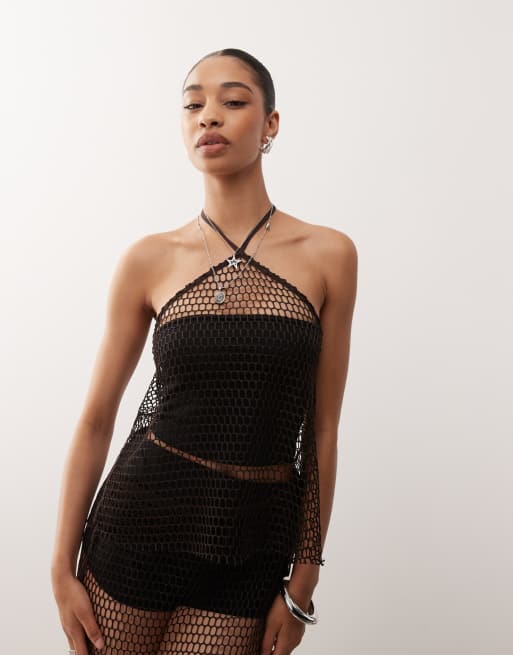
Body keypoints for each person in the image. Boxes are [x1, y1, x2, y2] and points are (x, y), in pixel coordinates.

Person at [51, 47, 358, 655]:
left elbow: (322, 429)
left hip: (252, 540)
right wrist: (60, 568)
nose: (209, 116)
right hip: (138, 526)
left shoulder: (329, 255)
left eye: (233, 101)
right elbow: (95, 420)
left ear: (270, 124)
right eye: (193, 105)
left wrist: (304, 577)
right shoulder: (149, 259)